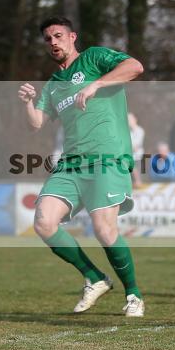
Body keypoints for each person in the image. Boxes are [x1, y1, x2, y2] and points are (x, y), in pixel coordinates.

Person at [18, 16, 146, 317]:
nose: (53, 42)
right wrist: (27, 101)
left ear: (72, 36)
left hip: (106, 158)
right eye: (48, 39)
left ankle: (134, 295)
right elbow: (37, 124)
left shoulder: (94, 58)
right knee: (44, 223)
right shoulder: (53, 84)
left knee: (104, 230)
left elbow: (135, 67)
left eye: (58, 36)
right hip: (71, 163)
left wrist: (96, 84)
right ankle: (95, 277)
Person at [128, 112, 145, 188]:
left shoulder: (140, 131)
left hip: (137, 158)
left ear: (135, 119)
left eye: (130, 119)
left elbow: (136, 146)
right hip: (127, 158)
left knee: (138, 180)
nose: (128, 121)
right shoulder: (126, 131)